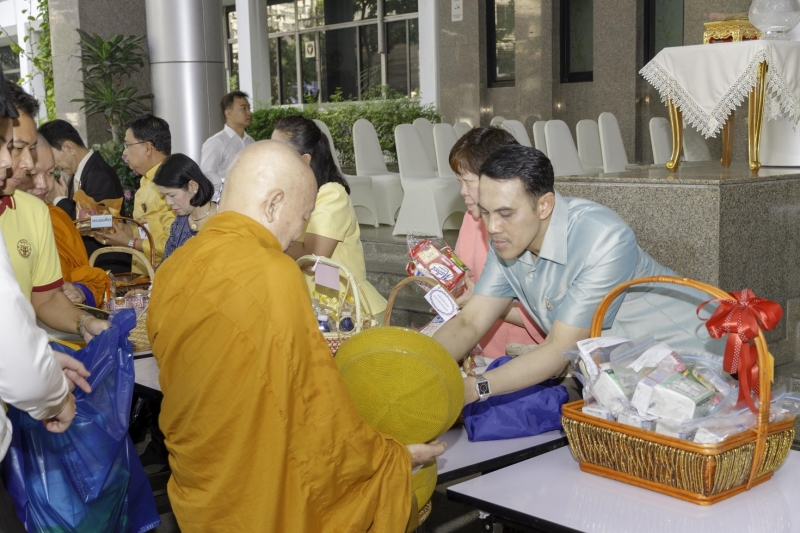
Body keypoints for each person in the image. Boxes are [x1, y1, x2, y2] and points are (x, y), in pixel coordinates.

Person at [147, 140, 445, 532]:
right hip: (256, 493)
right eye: (303, 215)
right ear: (272, 204)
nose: (301, 230)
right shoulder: (271, 273)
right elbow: (315, 408)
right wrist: (389, 459)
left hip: (201, 481)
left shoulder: (174, 267)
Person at [433, 145, 722, 406]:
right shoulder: (509, 240)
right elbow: (470, 321)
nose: (493, 226)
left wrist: (474, 388)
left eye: (505, 213)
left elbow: (559, 348)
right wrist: (416, 362)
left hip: (697, 363)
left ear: (544, 205)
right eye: (485, 212)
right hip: (631, 376)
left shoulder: (602, 237)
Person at [0, 80, 108, 340]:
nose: (25, 163)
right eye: (15, 148)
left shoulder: (36, 213)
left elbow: (46, 297)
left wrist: (84, 323)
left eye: (31, 150)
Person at [273, 116, 387, 321]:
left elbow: (312, 259)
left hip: (344, 312)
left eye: (277, 152)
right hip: (312, 306)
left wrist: (265, 232)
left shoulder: (331, 194)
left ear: (305, 159)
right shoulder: (291, 195)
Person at [449, 127, 545, 358]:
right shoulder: (471, 220)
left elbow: (548, 318)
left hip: (526, 355)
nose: (462, 191)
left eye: (468, 181)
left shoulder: (530, 227)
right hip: (479, 348)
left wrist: (479, 302)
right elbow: (465, 279)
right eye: (459, 181)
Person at [16, 134, 108, 307]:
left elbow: (84, 273)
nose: (44, 184)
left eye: (50, 173)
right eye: (32, 174)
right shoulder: (7, 219)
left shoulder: (56, 217)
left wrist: (80, 290)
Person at [96, 115, 176, 271]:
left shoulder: (170, 183)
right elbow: (146, 230)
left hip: (167, 275)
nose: (124, 153)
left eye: (128, 145)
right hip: (146, 274)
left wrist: (129, 242)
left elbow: (175, 243)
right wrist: (118, 231)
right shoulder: (147, 180)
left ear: (147, 148)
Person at [37, 119, 123, 220]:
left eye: (51, 156)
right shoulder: (79, 172)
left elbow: (99, 223)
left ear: (69, 148)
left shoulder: (99, 176)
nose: (53, 165)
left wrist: (59, 200)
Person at [153, 153, 217, 263]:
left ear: (193, 186)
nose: (168, 202)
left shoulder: (224, 219)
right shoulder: (179, 223)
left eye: (172, 195)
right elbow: (167, 267)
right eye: (164, 196)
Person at [200, 90, 254, 200]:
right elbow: (207, 172)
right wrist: (230, 185)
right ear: (228, 113)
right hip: (222, 202)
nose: (249, 113)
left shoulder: (251, 142)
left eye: (249, 108)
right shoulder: (216, 142)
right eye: (244, 108)